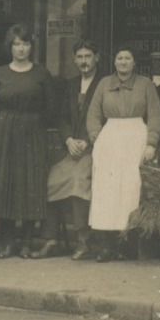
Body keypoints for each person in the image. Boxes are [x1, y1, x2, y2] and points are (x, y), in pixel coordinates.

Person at [0, 23, 61, 258]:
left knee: (30, 184)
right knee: (6, 183)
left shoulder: (41, 73)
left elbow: (52, 109)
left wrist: (32, 123)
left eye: (25, 44)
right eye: (16, 44)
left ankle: (27, 240)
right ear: (10, 47)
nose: (21, 49)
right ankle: (6, 241)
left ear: (31, 46)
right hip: (5, 132)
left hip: (33, 132)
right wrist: (7, 123)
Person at [86, 45, 160, 263]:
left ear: (134, 62)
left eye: (127, 58)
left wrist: (151, 143)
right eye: (119, 58)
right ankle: (106, 247)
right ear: (114, 62)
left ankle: (129, 245)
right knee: (106, 191)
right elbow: (93, 114)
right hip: (110, 138)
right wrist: (96, 137)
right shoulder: (103, 84)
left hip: (135, 138)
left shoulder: (145, 85)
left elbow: (156, 115)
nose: (123, 62)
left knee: (131, 190)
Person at [38, 39, 104, 259]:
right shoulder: (70, 85)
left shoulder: (104, 84)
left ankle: (83, 241)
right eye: (80, 57)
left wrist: (87, 140)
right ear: (74, 60)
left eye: (88, 56)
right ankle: (52, 240)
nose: (84, 61)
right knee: (51, 180)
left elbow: (107, 117)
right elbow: (62, 117)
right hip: (72, 148)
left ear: (97, 58)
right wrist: (67, 139)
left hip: (96, 149)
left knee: (78, 182)